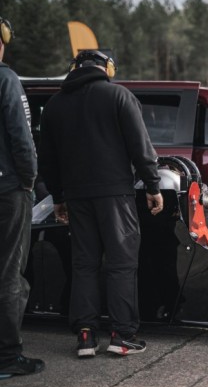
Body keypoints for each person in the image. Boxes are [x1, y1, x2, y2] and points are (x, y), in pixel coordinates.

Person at [38, 50, 164, 358]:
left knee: (84, 264)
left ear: (74, 69)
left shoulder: (55, 105)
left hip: (77, 197)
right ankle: (123, 336)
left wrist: (58, 197)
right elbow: (140, 144)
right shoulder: (118, 96)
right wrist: (152, 185)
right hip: (115, 195)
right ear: (107, 68)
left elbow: (48, 160)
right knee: (121, 263)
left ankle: (85, 336)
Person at [0, 15, 45, 379]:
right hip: (7, 190)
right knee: (10, 273)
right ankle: (7, 356)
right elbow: (22, 137)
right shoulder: (6, 79)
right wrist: (29, 181)